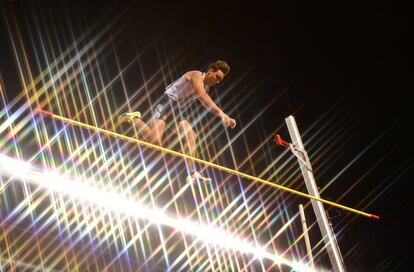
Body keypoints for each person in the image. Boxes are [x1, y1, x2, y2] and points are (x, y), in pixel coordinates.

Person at [118, 60, 236, 182]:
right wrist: (222, 115)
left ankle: (192, 173)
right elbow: (202, 96)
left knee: (191, 135)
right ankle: (134, 119)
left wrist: (221, 115)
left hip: (177, 110)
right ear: (211, 70)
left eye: (219, 80)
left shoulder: (206, 88)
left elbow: (205, 102)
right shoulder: (197, 75)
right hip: (167, 103)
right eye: (217, 77)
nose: (217, 82)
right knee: (154, 142)